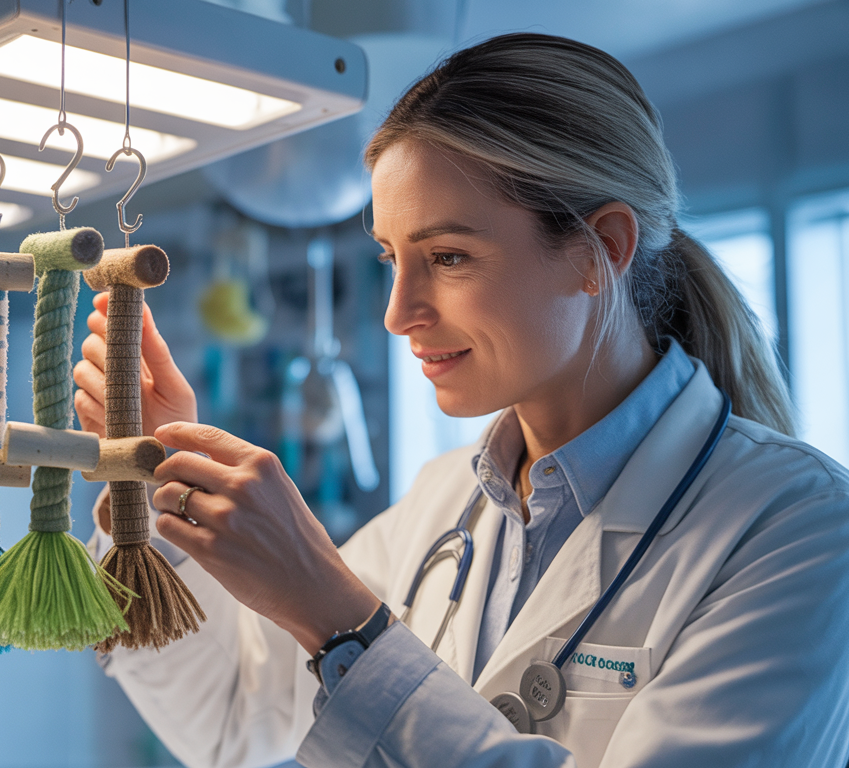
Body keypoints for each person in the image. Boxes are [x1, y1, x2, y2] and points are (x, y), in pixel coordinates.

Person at [72, 33, 849, 768]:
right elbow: (230, 716)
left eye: (447, 256)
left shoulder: (796, 529)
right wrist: (158, 484)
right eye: (390, 257)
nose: (397, 312)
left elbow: (330, 645)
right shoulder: (443, 503)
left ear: (600, 249)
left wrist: (341, 619)